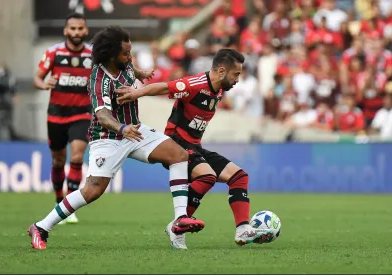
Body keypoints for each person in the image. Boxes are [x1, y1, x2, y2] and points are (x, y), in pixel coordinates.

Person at [27, 25, 205, 250]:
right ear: (111, 55)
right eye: (126, 53)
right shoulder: (99, 79)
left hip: (136, 130)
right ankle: (41, 227)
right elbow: (102, 115)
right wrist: (121, 129)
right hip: (108, 138)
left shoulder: (125, 63)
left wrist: (141, 73)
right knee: (92, 191)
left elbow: (131, 68)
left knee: (178, 155)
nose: (130, 57)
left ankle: (179, 220)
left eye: (130, 52)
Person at [116, 48, 274, 249]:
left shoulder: (218, 91)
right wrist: (137, 93)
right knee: (207, 176)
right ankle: (179, 223)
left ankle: (242, 228)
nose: (237, 80)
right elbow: (165, 87)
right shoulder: (195, 84)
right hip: (176, 144)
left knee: (239, 176)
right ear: (222, 71)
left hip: (195, 147)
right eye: (236, 74)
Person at [34, 13, 93, 224]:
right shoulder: (53, 52)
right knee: (58, 161)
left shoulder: (93, 55)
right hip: (57, 114)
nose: (76, 32)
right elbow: (37, 79)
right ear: (66, 30)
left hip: (82, 113)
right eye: (73, 29)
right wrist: (44, 84)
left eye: (80, 29)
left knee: (77, 158)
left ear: (85, 31)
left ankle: (69, 206)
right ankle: (59, 200)